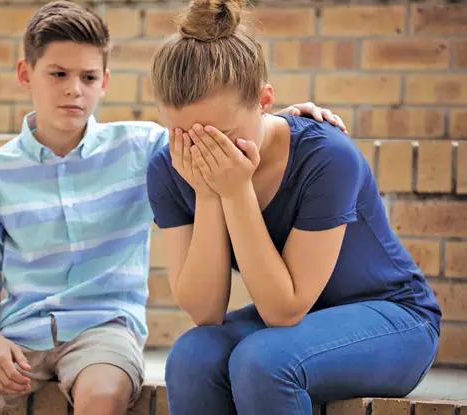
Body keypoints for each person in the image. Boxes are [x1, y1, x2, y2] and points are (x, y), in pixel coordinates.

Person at [0, 1, 346, 414]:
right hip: (15, 329)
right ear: (26, 73)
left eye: (87, 77)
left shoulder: (142, 148)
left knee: (102, 398)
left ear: (105, 82)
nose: (73, 90)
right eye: (58, 73)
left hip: (103, 332)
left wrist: (284, 119)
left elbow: (216, 130)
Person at [145, 0, 442, 414]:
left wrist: (235, 190)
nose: (204, 148)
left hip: (394, 320)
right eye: (185, 134)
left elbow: (284, 310)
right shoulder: (168, 166)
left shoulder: (326, 156)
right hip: (298, 326)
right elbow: (206, 310)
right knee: (192, 357)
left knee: (264, 362)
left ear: (265, 100)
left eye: (221, 134)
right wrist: (210, 193)